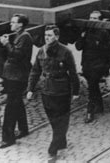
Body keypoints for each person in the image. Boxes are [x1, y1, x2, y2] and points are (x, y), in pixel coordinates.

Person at [27, 25, 80, 161]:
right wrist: (30, 89)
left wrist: (76, 91)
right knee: (52, 117)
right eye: (46, 36)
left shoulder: (65, 52)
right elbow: (35, 71)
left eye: (50, 36)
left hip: (62, 90)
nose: (47, 38)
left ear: (57, 37)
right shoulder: (41, 51)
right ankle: (61, 140)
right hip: (46, 89)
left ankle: (53, 148)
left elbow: (73, 72)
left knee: (61, 119)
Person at [0, 14, 33, 148]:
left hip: (18, 77)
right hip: (13, 75)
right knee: (17, 102)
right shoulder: (19, 36)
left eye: (13, 22)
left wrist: (6, 44)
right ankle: (23, 128)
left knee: (11, 107)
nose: (10, 24)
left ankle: (8, 138)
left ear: (20, 25)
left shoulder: (24, 37)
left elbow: (17, 55)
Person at [75, 11, 110, 123]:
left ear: (99, 20)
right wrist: (81, 37)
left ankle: (90, 111)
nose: (92, 20)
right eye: (90, 18)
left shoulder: (104, 33)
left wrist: (106, 67)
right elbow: (78, 47)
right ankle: (99, 105)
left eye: (95, 18)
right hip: (87, 64)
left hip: (98, 65)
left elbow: (107, 51)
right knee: (93, 85)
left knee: (91, 87)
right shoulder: (85, 31)